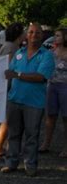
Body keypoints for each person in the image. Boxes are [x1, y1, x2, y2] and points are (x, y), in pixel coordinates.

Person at [1, 23, 55, 176]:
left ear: (42, 35)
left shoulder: (46, 55)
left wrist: (17, 75)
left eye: (37, 32)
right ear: (26, 35)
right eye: (31, 32)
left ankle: (30, 165)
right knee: (13, 134)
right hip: (14, 99)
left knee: (32, 135)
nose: (34, 35)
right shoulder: (19, 53)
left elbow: (40, 77)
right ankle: (11, 163)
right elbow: (8, 73)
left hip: (34, 103)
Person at [0, 22, 25, 158]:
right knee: (8, 119)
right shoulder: (11, 48)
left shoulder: (11, 46)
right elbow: (9, 69)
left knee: (9, 119)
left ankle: (3, 145)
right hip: (9, 88)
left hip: (9, 87)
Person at [39, 28, 67, 157]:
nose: (55, 38)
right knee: (50, 116)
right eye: (55, 35)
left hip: (65, 86)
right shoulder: (51, 51)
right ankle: (46, 143)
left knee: (65, 118)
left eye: (58, 35)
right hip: (52, 85)